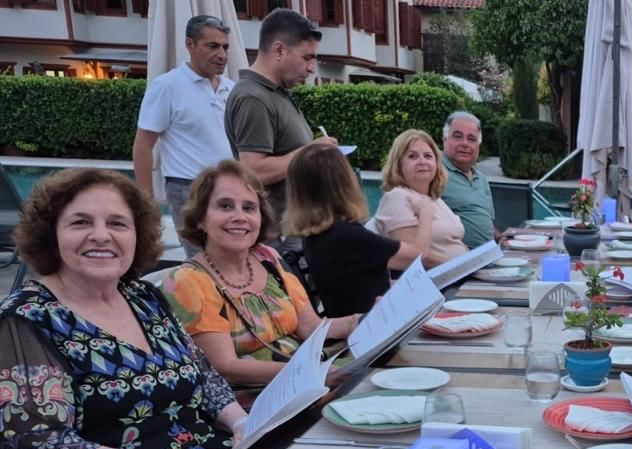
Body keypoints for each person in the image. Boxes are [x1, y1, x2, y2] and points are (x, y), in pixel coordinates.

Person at [0, 168, 247, 449]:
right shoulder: (27, 319)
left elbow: (205, 377)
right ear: (50, 233)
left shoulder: (143, 297)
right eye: (81, 222)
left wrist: (242, 424)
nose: (102, 235)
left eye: (117, 223)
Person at [164, 161, 358, 390]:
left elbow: (311, 327)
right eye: (225, 206)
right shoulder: (188, 281)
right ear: (200, 218)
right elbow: (226, 367)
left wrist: (366, 319)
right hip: (256, 399)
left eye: (249, 208)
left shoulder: (268, 258)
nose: (239, 216)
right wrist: (310, 373)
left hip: (310, 380)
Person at [132, 14, 236, 258]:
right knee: (202, 263)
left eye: (225, 47)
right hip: (187, 188)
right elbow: (143, 145)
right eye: (212, 46)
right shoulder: (167, 86)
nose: (221, 54)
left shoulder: (232, 89)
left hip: (229, 187)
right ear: (190, 45)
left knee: (232, 259)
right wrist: (146, 203)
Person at [223, 8, 335, 221]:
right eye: (307, 57)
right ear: (279, 50)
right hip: (278, 237)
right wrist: (310, 152)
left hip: (295, 229)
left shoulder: (275, 92)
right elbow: (253, 171)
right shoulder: (253, 98)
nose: (312, 68)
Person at [287, 144, 420, 316]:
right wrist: (425, 212)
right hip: (369, 330)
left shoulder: (318, 235)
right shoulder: (347, 236)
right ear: (345, 182)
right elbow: (417, 256)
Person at [372, 129, 468, 267]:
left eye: (428, 156)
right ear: (398, 165)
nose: (422, 161)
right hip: (437, 281)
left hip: (460, 276)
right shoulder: (397, 197)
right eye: (412, 156)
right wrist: (460, 267)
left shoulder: (435, 199)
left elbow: (454, 241)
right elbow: (412, 258)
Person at [438, 110, 496, 249]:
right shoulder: (434, 172)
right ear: (445, 139)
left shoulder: (481, 180)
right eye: (458, 136)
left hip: (487, 257)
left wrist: (506, 238)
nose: (465, 143)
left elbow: (484, 221)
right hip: (456, 261)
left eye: (471, 139)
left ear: (478, 146)